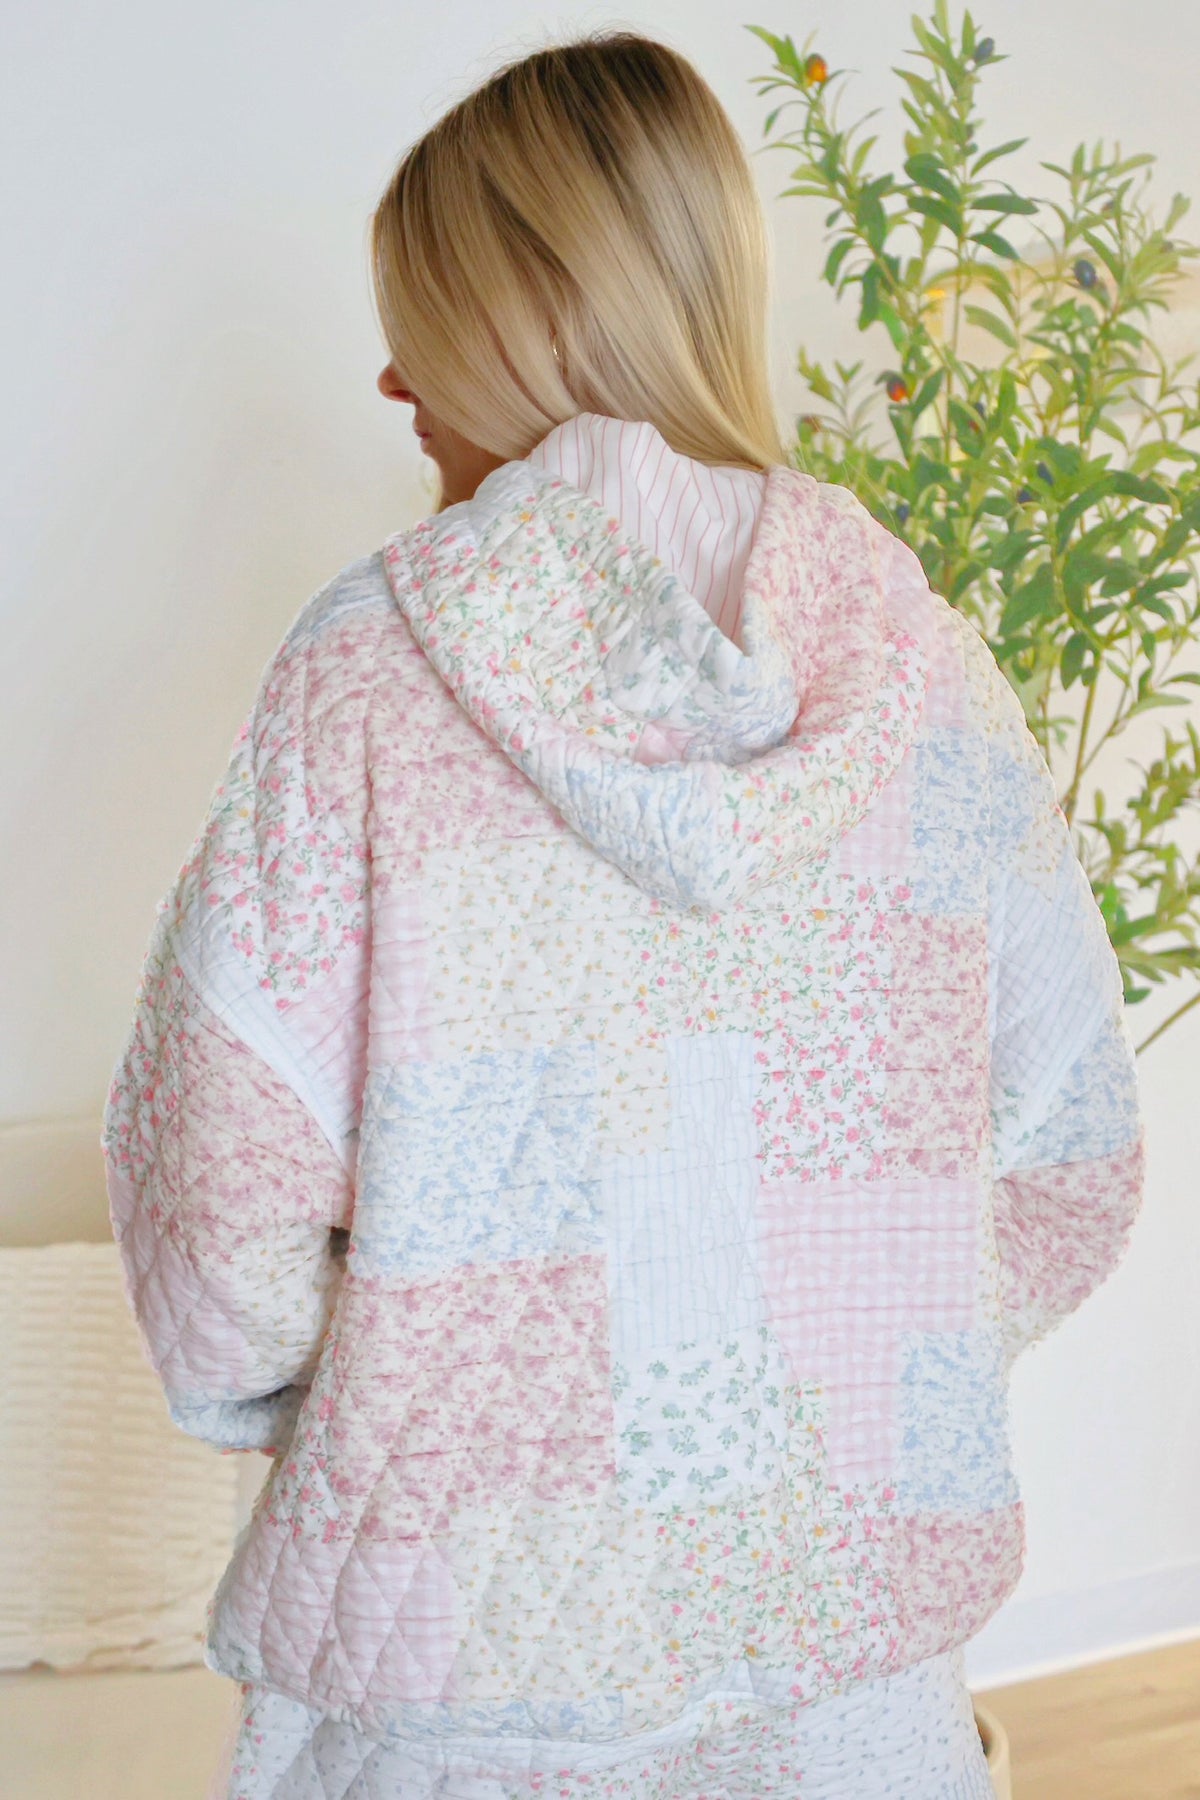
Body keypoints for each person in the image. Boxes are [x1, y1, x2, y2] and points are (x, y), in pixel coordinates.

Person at [102, 30, 1146, 1800]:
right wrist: (856, 1404)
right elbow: (1069, 1154)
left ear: (530, 312)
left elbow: (221, 1196)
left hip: (456, 1698)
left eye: (424, 320)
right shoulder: (932, 678)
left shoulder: (369, 673)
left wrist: (385, 1399)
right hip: (860, 1700)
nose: (389, 377)